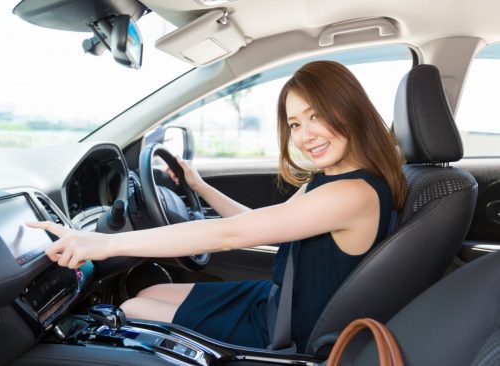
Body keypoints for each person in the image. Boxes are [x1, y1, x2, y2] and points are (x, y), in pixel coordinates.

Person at [28, 60, 406, 351]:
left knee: (135, 311)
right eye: (294, 124)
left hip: (286, 329)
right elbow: (256, 222)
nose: (305, 136)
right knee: (149, 293)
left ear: (350, 108)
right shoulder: (335, 179)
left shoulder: (352, 193)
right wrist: (199, 187)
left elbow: (230, 234)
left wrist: (103, 243)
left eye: (317, 116)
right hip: (279, 302)